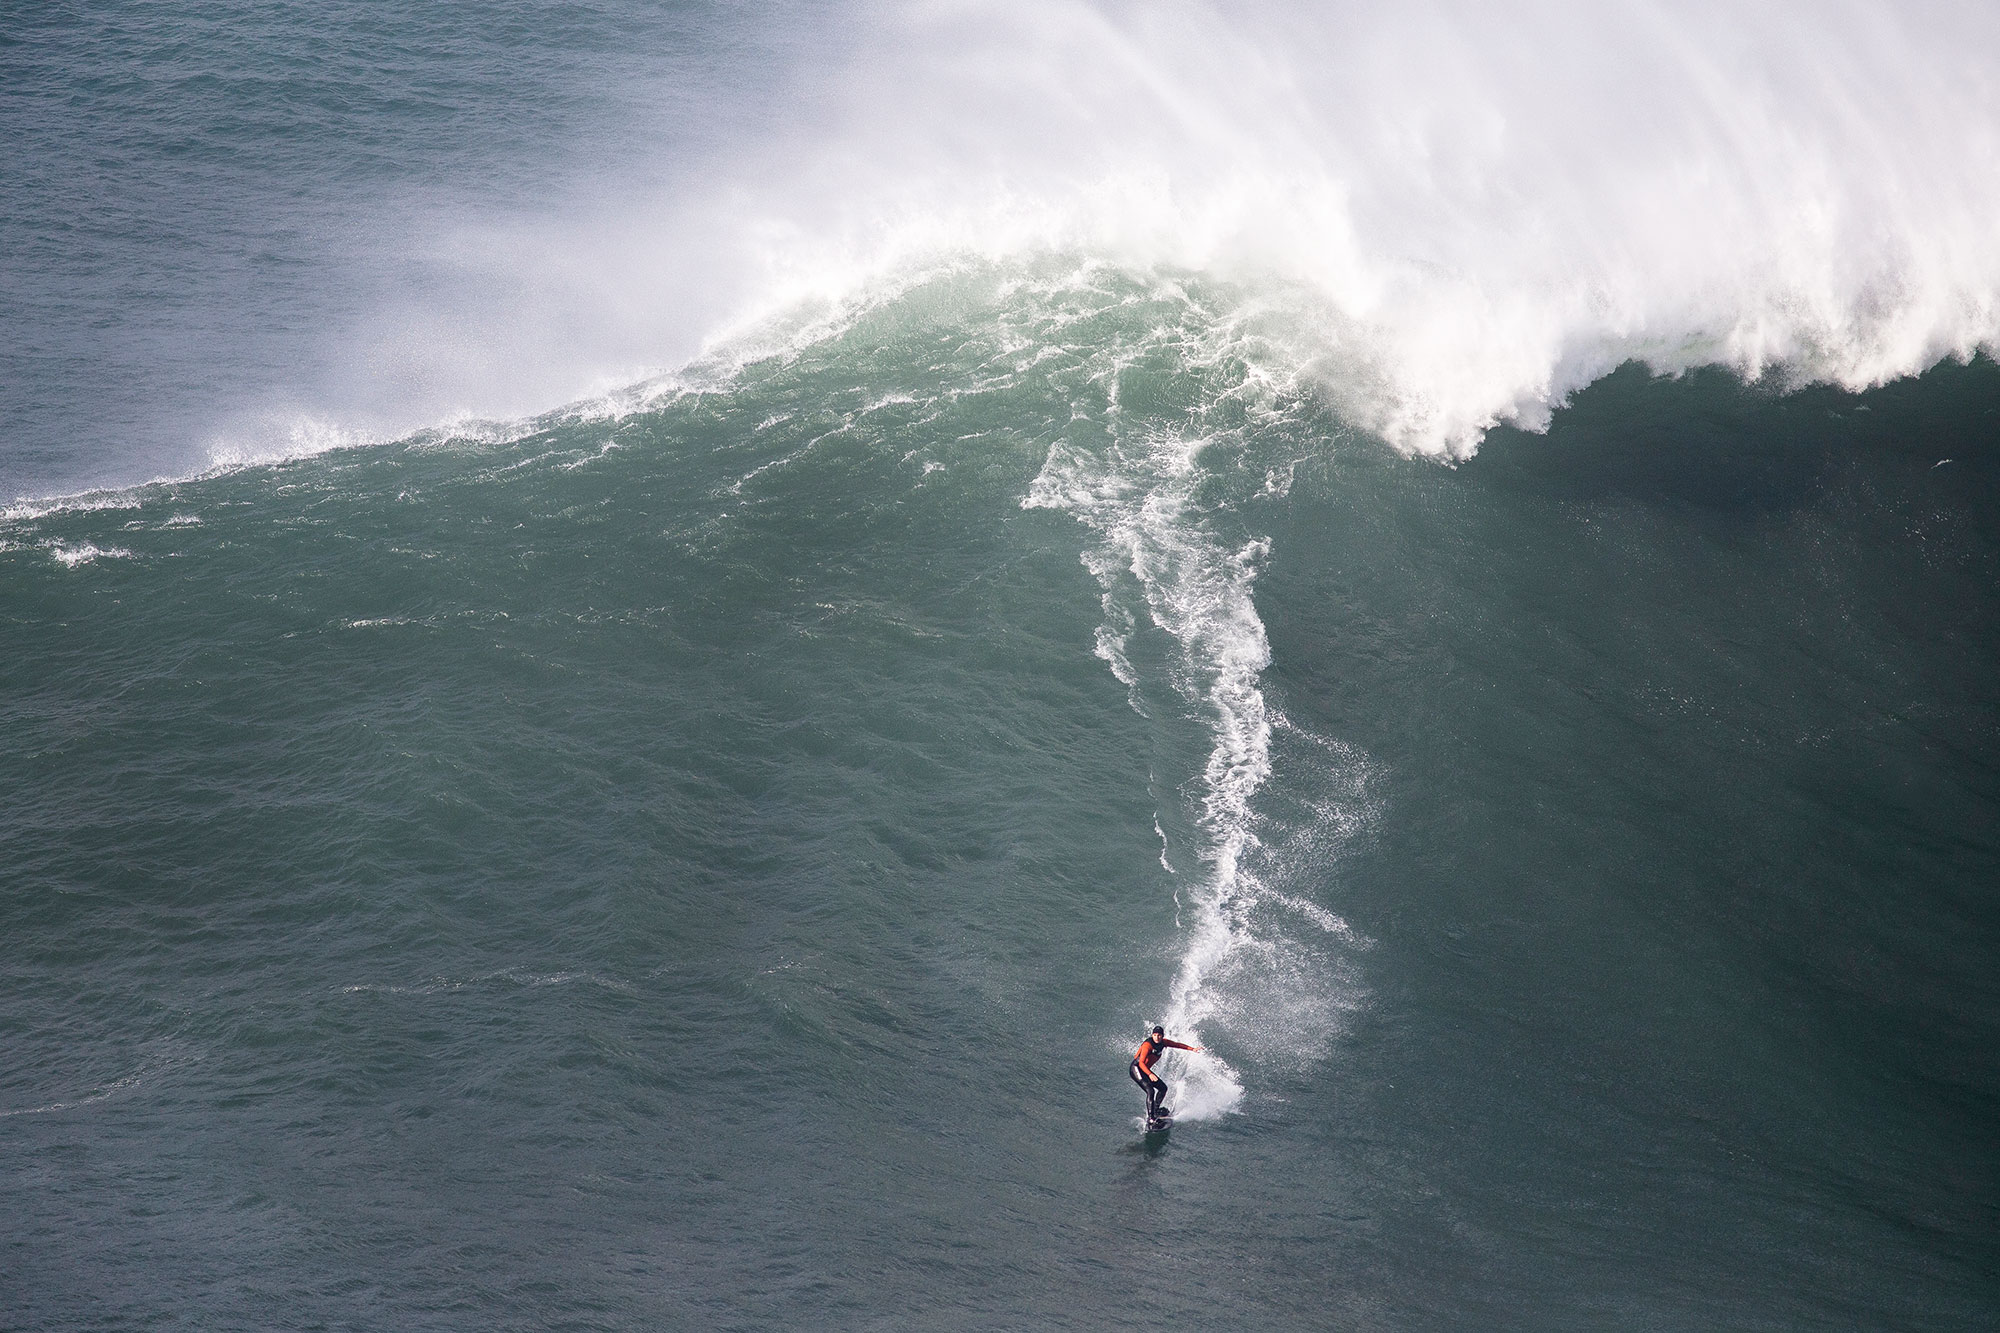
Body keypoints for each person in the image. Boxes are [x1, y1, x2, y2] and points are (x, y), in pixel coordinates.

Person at [1129, 1025, 1202, 1119]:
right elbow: (1141, 1063)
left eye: (1159, 1035)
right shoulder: (1147, 1045)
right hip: (1136, 1069)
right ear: (1152, 1035)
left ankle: (1155, 1110)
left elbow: (1177, 1045)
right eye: (1155, 1035)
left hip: (1145, 1070)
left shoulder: (1163, 1042)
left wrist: (1192, 1049)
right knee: (1150, 1091)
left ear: (1162, 1036)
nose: (1157, 1037)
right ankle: (1151, 1119)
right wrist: (1150, 1074)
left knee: (1163, 1088)